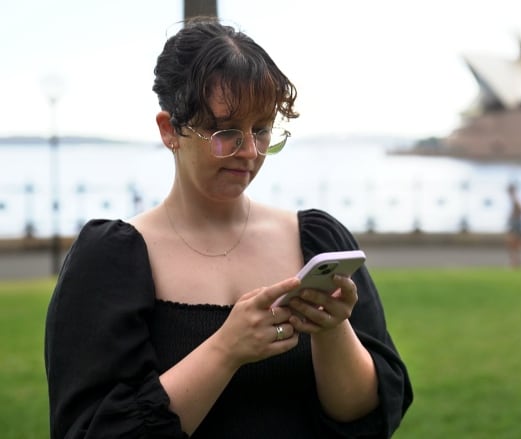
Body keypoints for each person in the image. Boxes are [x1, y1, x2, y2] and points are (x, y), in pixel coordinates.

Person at [45, 18, 412, 438]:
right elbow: (93, 430)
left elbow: (369, 416)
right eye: (227, 132)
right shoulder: (110, 260)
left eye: (261, 129)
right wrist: (226, 349)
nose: (250, 152)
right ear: (170, 131)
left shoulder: (315, 240)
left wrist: (332, 329)